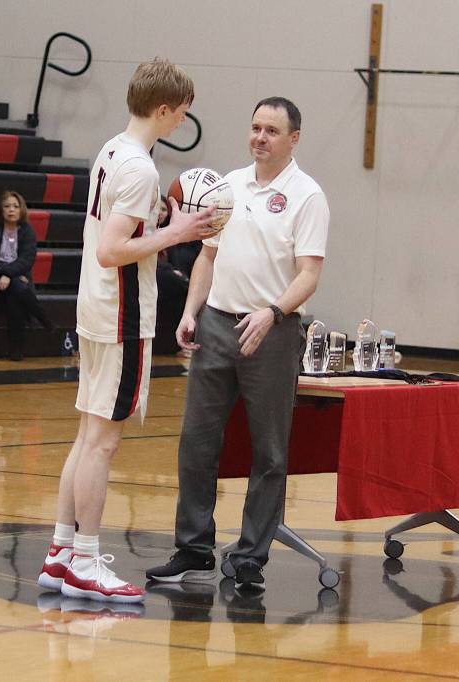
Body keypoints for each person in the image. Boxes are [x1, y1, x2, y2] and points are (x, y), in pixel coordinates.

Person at [36, 59, 217, 603]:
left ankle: (62, 552)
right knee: (102, 443)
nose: (184, 120)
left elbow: (115, 234)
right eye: (182, 111)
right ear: (164, 108)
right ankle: (87, 561)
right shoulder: (140, 169)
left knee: (86, 436)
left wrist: (158, 224)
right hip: (120, 314)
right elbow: (115, 248)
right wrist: (178, 231)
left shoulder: (113, 148)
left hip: (94, 306)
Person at [146, 96, 329, 589]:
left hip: (270, 332)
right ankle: (193, 548)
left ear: (294, 139)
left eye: (271, 130)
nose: (260, 137)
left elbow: (309, 275)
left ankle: (251, 555)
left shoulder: (307, 196)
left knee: (269, 450)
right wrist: (191, 311)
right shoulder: (226, 186)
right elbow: (207, 256)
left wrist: (273, 314)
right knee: (197, 441)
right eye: (254, 127)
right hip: (216, 327)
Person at [0, 190, 53, 361]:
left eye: (15, 206)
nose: (11, 210)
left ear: (21, 210)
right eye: (7, 206)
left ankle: (15, 350)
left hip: (15, 280)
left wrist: (9, 274)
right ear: (1, 210)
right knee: (18, 287)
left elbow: (27, 259)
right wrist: (5, 273)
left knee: (14, 296)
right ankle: (41, 317)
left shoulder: (27, 231)